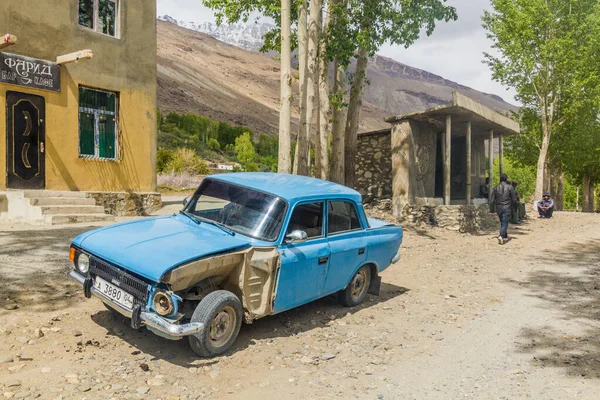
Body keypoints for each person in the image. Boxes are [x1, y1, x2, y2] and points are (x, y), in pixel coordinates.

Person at [490, 173, 517, 245]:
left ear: (500, 179)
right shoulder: (510, 187)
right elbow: (514, 199)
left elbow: (492, 200)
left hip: (498, 207)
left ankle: (504, 235)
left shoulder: (495, 188)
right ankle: (501, 236)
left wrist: (491, 210)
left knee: (502, 221)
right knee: (505, 222)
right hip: (507, 207)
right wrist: (515, 208)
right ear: (506, 179)